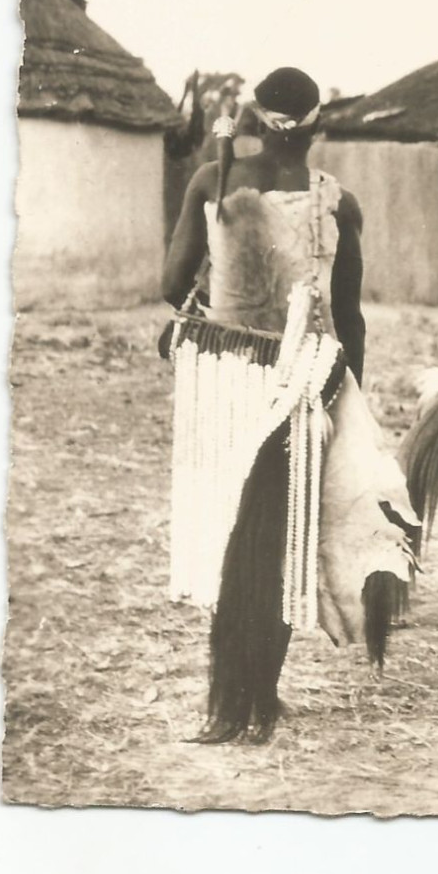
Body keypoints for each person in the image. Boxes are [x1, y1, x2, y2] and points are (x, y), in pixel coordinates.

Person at [161, 66, 418, 743]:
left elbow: (168, 284)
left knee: (234, 529)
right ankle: (261, 692)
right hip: (306, 382)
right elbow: (349, 319)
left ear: (253, 117)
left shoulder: (212, 183)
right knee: (281, 533)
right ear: (316, 127)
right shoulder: (339, 203)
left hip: (226, 377)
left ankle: (234, 693)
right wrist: (341, 399)